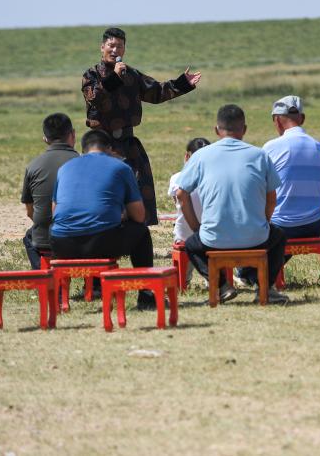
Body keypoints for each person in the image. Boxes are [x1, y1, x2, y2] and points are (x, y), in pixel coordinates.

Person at [81, 27, 202, 226]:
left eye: (119, 46)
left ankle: (136, 230)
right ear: (102, 47)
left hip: (128, 142)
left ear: (124, 50)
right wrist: (115, 78)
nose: (115, 50)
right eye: (111, 45)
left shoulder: (132, 74)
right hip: (100, 144)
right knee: (102, 187)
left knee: (138, 185)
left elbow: (156, 92)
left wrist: (182, 84)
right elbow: (94, 98)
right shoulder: (91, 74)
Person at [175, 104, 287, 304]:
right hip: (257, 238)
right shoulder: (260, 155)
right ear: (244, 129)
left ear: (217, 130)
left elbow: (181, 194)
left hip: (213, 240)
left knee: (191, 244)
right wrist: (263, 223)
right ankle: (265, 289)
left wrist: (196, 228)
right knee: (278, 236)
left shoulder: (201, 156)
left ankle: (222, 286)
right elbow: (272, 198)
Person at [50, 129, 156, 308]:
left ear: (83, 149)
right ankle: (145, 294)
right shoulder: (121, 167)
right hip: (101, 242)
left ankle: (60, 296)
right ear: (110, 149)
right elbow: (139, 215)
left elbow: (55, 212)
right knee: (142, 232)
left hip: (62, 245)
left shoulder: (65, 168)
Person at [263, 96, 320, 242]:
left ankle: (258, 265)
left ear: (277, 120)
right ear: (302, 118)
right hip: (313, 226)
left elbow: (259, 189)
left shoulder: (271, 147)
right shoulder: (319, 147)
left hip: (280, 227)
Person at [21, 113, 78, 269]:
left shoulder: (33, 166)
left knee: (30, 238)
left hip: (45, 241)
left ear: (45, 138)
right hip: (82, 238)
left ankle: (45, 281)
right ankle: (94, 285)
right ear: (73, 134)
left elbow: (30, 211)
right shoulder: (83, 162)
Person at [167, 137, 211, 285]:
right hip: (213, 234)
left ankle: (184, 280)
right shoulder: (216, 178)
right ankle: (212, 278)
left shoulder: (176, 178)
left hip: (183, 236)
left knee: (185, 236)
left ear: (187, 156)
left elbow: (178, 204)